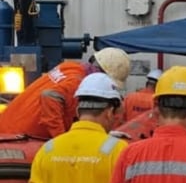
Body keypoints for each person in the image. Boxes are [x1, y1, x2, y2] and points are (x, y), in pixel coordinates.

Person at [0, 47, 131, 139]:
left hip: (10, 128)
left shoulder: (70, 67)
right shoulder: (76, 81)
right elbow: (49, 96)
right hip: (17, 136)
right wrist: (61, 139)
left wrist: (100, 134)